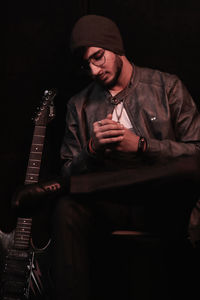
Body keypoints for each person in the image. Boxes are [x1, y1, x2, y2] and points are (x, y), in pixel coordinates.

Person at [12, 14, 200, 300]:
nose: (94, 70)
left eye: (98, 57)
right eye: (87, 64)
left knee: (192, 165)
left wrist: (141, 146)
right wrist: (90, 150)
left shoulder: (166, 88)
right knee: (66, 207)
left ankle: (66, 189)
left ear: (116, 47)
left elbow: (196, 151)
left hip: (163, 206)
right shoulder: (79, 105)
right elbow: (67, 168)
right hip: (111, 205)